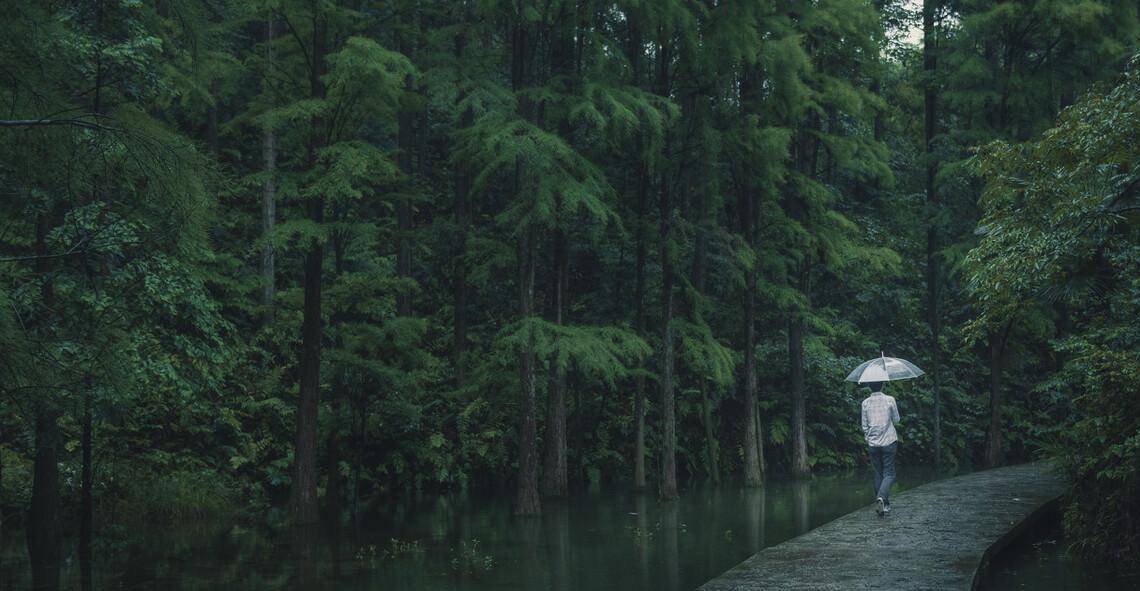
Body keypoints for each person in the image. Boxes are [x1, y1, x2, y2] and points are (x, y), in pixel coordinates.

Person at [861, 381, 899, 515]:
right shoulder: (890, 400)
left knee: (878, 472)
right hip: (889, 441)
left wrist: (869, 438)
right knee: (889, 473)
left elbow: (864, 426)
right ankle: (882, 498)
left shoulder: (865, 403)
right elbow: (897, 419)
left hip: (873, 444)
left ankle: (884, 504)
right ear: (882, 385)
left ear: (869, 387)